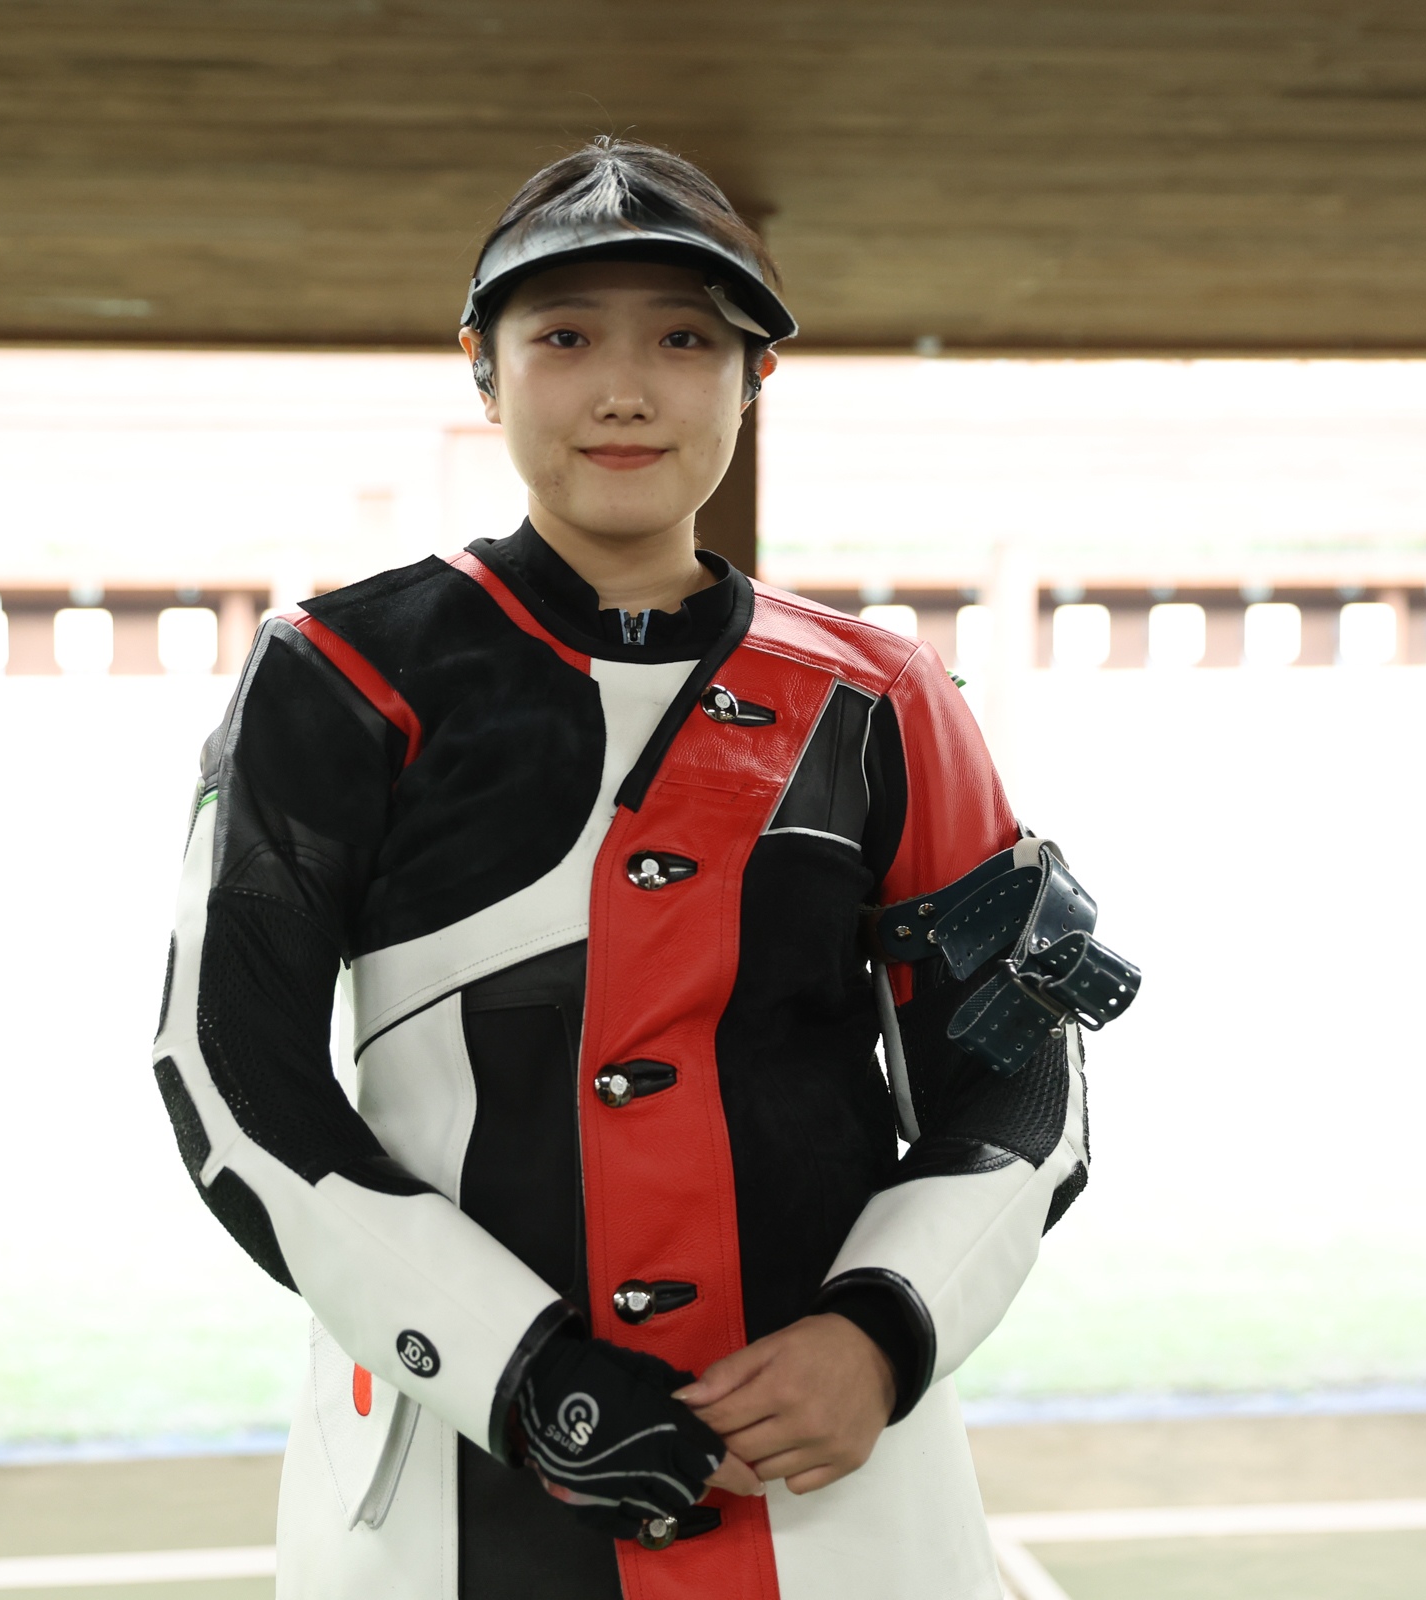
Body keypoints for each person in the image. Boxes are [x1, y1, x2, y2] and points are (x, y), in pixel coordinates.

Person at [150, 137, 1132, 1600]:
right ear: (484, 372)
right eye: (565, 339)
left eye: (685, 340)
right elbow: (231, 1074)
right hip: (449, 1471)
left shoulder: (886, 697)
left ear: (754, 380)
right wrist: (516, 1368)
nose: (625, 390)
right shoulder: (338, 674)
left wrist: (884, 1332)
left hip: (835, 1475)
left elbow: (1019, 1075)